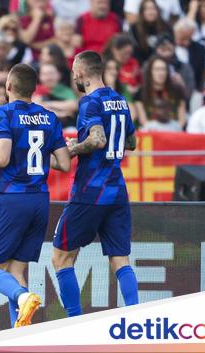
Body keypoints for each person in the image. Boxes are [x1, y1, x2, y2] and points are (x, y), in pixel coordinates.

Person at [0, 63, 71, 328]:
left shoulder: (2, 114)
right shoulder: (49, 117)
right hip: (40, 200)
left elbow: (0, 157)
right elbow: (64, 164)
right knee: (16, 271)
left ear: (8, 86)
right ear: (34, 89)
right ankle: (19, 341)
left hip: (12, 199)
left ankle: (23, 296)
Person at [52, 51, 139, 318]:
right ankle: (137, 317)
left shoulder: (89, 102)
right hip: (117, 189)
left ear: (80, 72)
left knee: (61, 258)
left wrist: (73, 148)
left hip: (91, 190)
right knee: (120, 259)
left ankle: (74, 323)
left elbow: (98, 139)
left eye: (73, 72)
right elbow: (132, 143)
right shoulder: (120, 100)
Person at [134, 56, 187, 129]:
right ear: (150, 72)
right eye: (157, 69)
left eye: (163, 69)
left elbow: (182, 119)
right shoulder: (141, 92)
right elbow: (143, 120)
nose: (161, 73)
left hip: (174, 131)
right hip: (151, 131)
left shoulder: (177, 90)